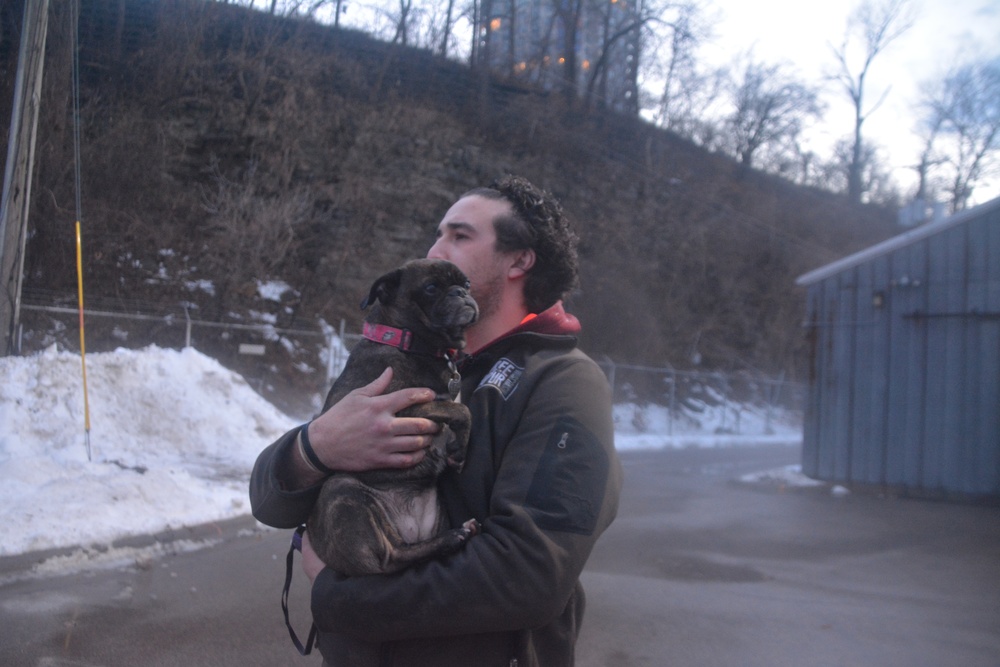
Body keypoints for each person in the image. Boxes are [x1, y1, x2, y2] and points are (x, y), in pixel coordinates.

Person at [249, 174, 622, 666]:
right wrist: (314, 448)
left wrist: (339, 598)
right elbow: (269, 504)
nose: (437, 248)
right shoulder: (418, 365)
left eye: (460, 235)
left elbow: (529, 575)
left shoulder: (567, 383)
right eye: (439, 232)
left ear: (520, 259)